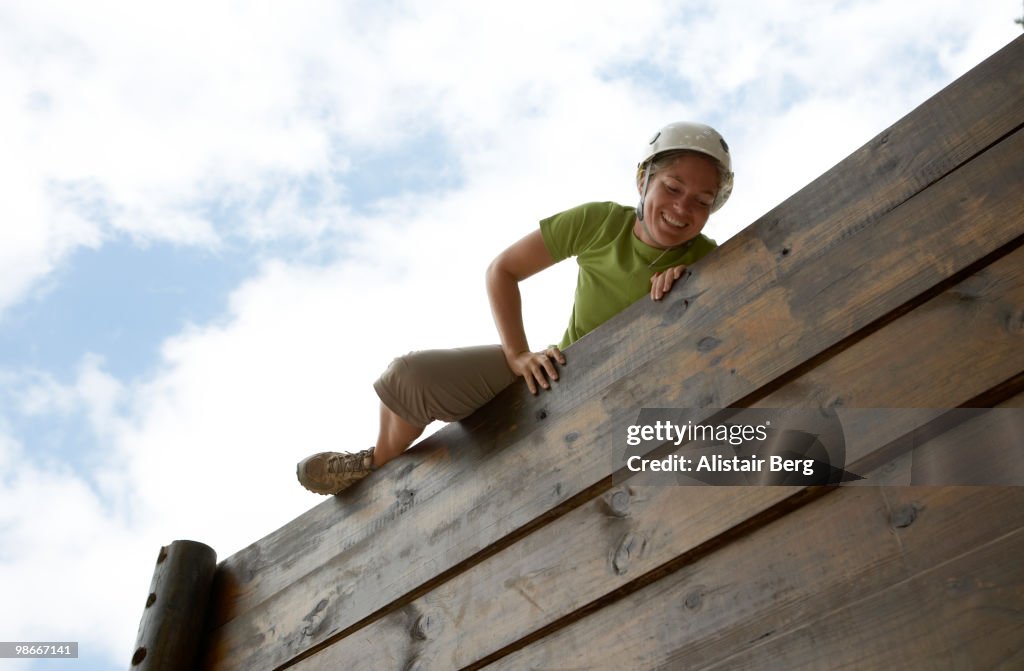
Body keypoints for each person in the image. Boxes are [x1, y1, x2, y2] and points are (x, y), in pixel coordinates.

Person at [296, 121, 734, 495]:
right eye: (673, 187)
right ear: (643, 181)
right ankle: (378, 468)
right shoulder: (602, 222)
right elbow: (502, 270)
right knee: (409, 375)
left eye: (702, 200)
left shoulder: (710, 260)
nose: (683, 207)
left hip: (633, 407)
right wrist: (519, 354)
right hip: (561, 373)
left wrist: (692, 291)